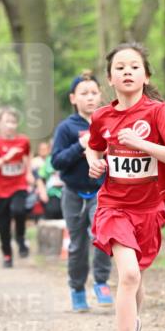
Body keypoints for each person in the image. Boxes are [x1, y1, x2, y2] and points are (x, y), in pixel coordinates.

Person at [86, 42, 165, 331]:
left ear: (145, 76)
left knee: (136, 278)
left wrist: (141, 144)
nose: (127, 71)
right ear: (110, 78)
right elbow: (93, 146)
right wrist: (94, 163)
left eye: (134, 66)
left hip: (148, 209)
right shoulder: (102, 116)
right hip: (113, 207)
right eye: (120, 67)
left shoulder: (158, 112)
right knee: (128, 275)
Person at [51, 71, 113, 311]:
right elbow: (56, 162)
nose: (90, 98)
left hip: (101, 191)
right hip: (73, 193)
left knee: (102, 237)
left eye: (94, 93)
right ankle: (77, 289)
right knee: (77, 245)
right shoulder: (66, 128)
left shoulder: (107, 123)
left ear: (101, 95)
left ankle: (101, 282)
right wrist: (80, 145)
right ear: (73, 98)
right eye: (84, 93)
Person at [0, 106, 31, 267]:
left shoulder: (23, 140)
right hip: (0, 191)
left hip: (19, 185)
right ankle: (7, 255)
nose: (10, 125)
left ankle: (20, 238)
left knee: (19, 210)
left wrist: (29, 172)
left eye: (13, 122)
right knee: (3, 226)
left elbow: (27, 156)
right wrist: (6, 158)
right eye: (6, 122)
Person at [34, 141, 63, 221]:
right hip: (52, 192)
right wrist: (42, 191)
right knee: (53, 211)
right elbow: (40, 177)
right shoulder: (48, 160)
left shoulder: (70, 157)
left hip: (68, 192)